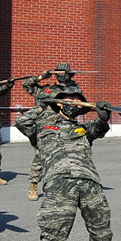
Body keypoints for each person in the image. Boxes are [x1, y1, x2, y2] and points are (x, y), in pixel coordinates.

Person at [15, 87, 115, 241]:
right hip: (59, 183)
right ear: (59, 102)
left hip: (89, 182)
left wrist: (104, 117)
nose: (75, 102)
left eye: (79, 100)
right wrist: (42, 107)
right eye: (71, 98)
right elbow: (21, 123)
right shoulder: (42, 126)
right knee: (55, 234)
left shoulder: (82, 128)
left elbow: (98, 129)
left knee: (102, 233)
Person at [22, 64, 77, 200]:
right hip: (45, 128)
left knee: (66, 156)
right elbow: (26, 85)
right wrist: (41, 77)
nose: (62, 76)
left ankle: (63, 185)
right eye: (59, 73)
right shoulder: (45, 90)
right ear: (55, 74)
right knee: (40, 157)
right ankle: (33, 185)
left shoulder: (74, 90)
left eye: (65, 73)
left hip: (65, 126)